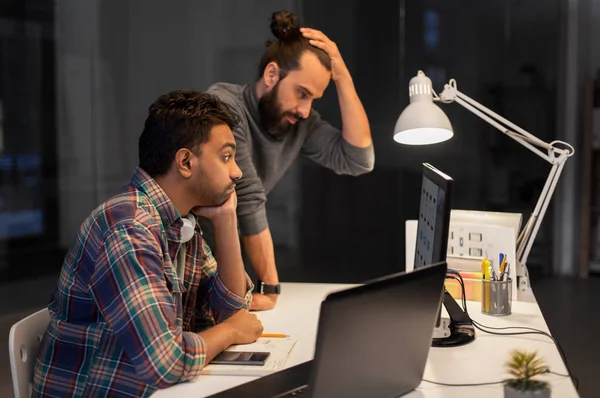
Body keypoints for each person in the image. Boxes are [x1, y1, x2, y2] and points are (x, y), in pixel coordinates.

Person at [32, 91, 263, 397]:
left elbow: (230, 308)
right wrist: (232, 332)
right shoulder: (129, 228)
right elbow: (165, 362)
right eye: (226, 156)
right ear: (185, 162)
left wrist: (226, 220)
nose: (237, 171)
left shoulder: (179, 223)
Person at [206, 10, 374, 311]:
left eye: (313, 99)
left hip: (225, 271)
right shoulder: (223, 105)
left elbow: (358, 160)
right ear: (272, 74)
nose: (305, 110)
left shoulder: (298, 124)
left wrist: (342, 77)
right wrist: (270, 288)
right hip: (187, 261)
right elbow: (247, 197)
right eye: (301, 93)